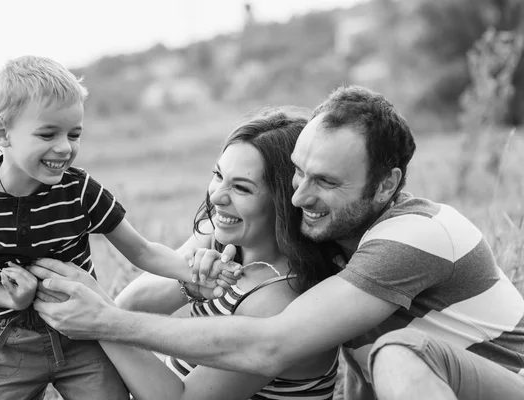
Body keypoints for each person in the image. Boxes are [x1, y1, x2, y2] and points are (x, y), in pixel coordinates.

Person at [33, 85, 524, 400]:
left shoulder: (414, 236)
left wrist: (105, 321)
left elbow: (272, 345)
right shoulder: (326, 242)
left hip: (502, 383)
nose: (302, 194)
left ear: (385, 185)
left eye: (326, 182)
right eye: (298, 174)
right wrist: (197, 263)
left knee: (400, 350)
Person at [0, 55, 232, 400]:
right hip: (13, 339)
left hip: (84, 331)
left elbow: (142, 250)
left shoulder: (79, 190)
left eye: (73, 134)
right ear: (3, 133)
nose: (64, 147)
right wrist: (11, 299)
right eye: (48, 133)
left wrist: (194, 271)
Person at [30, 109, 343, 399]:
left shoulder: (277, 299)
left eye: (242, 188)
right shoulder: (224, 241)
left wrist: (99, 317)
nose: (218, 196)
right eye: (218, 175)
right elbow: (130, 304)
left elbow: (181, 397)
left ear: (288, 202)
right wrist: (188, 281)